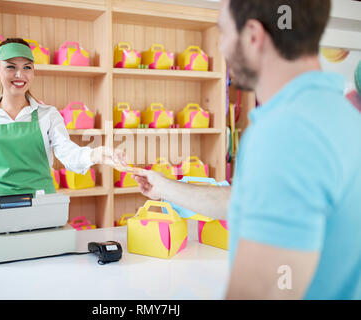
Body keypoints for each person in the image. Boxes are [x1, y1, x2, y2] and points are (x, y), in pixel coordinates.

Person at [133, 0, 361, 300]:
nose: (221, 46)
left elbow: (262, 292)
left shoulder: (284, 134)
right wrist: (165, 188)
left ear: (253, 35)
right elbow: (251, 201)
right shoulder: (342, 115)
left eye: (223, 32)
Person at [0, 38, 126, 243]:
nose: (20, 75)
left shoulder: (48, 115)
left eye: (27, 67)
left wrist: (96, 153)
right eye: (11, 67)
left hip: (43, 210)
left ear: (33, 71)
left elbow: (67, 152)